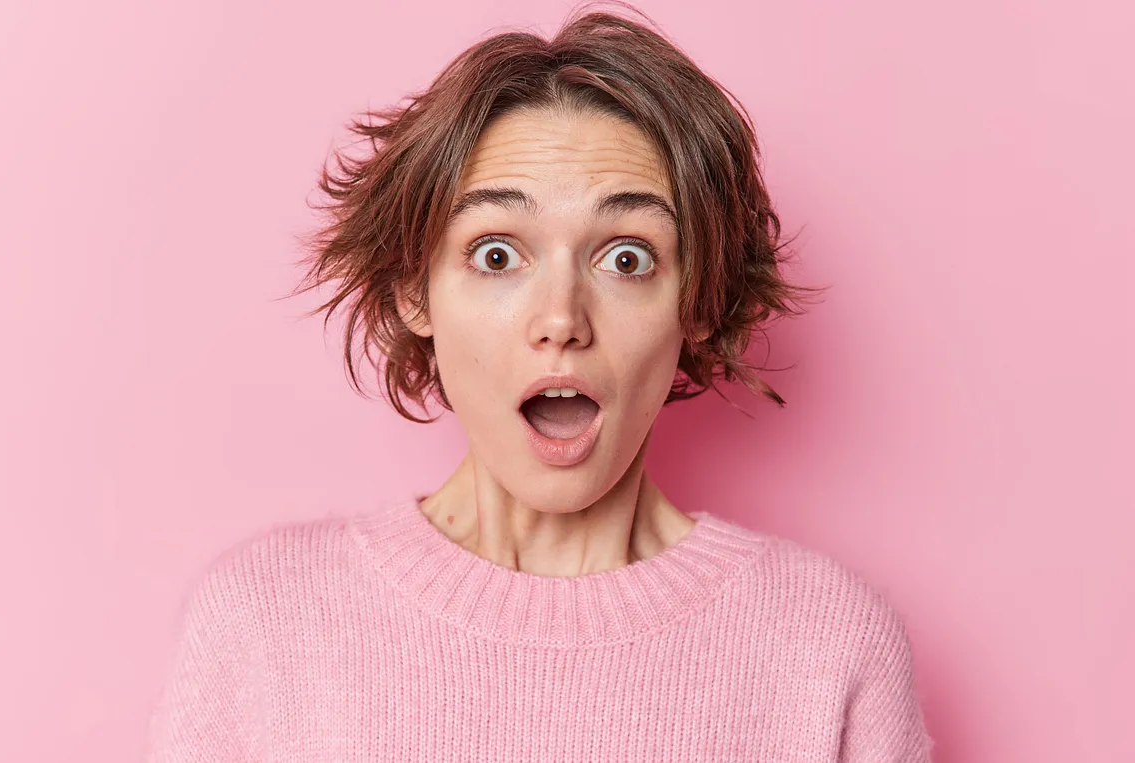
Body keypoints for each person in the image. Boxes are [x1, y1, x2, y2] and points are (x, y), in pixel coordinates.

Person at [145, 5, 934, 761]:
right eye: (496, 254)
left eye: (626, 256)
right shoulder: (263, 628)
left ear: (696, 302)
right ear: (415, 293)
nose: (561, 318)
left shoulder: (827, 648)